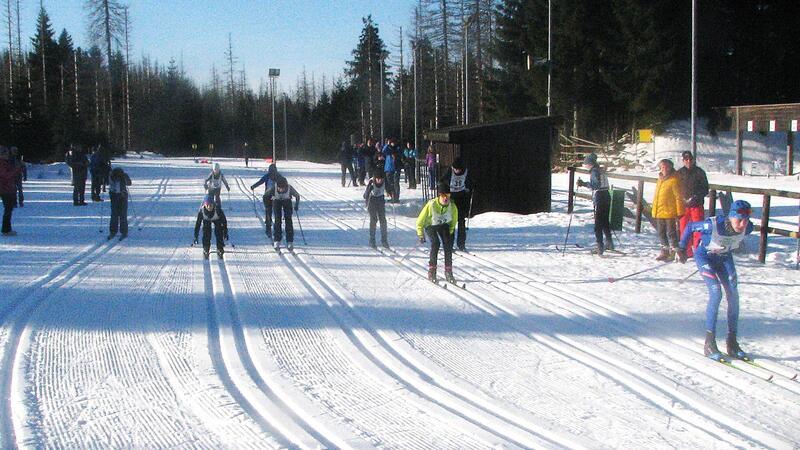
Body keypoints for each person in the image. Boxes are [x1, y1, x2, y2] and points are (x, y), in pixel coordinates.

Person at [676, 200, 754, 361]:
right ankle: (709, 343)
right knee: (716, 292)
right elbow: (690, 226)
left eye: (745, 220)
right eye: (739, 219)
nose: (743, 224)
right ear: (731, 217)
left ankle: (732, 342)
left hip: (724, 258)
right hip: (705, 257)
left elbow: (744, 231)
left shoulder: (748, 227)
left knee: (733, 294)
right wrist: (682, 247)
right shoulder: (713, 225)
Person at [416, 181, 458, 283]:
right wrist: (420, 233)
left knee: (448, 245)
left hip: (443, 225)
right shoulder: (432, 204)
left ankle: (448, 271)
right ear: (439, 195)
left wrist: (450, 232)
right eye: (443, 195)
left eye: (447, 195)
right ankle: (432, 270)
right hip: (430, 225)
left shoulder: (452, 206)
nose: (445, 198)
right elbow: (420, 220)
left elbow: (454, 220)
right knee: (436, 243)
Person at [577, 152, 614, 254]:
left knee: (598, 223)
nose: (585, 166)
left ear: (590, 164)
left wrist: (584, 184)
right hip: (607, 195)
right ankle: (609, 242)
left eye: (586, 164)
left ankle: (600, 246)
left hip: (600, 197)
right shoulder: (600, 170)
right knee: (605, 221)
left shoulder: (594, 171)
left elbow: (596, 185)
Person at [677, 150, 709, 258]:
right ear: (683, 160)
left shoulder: (699, 172)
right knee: (684, 228)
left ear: (693, 160)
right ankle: (686, 251)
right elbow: (676, 188)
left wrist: (696, 197)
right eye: (686, 159)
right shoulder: (679, 172)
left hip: (696, 204)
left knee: (698, 228)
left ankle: (698, 250)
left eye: (690, 159)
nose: (688, 161)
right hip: (683, 205)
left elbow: (705, 188)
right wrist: (681, 198)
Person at [651, 158, 684, 261]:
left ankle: (675, 251)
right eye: (662, 167)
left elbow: (678, 197)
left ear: (670, 168)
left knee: (671, 232)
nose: (664, 169)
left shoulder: (674, 180)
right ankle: (664, 250)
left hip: (669, 211)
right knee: (661, 232)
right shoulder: (660, 179)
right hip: (659, 210)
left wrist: (680, 212)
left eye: (666, 167)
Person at [439, 157, 473, 251]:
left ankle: (461, 244)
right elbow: (441, 182)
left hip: (461, 198)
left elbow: (470, 182)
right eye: (455, 169)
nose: (456, 171)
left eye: (458, 169)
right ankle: (449, 244)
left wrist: (469, 188)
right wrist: (443, 193)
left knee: (461, 222)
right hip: (451, 198)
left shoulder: (466, 172)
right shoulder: (449, 171)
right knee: (451, 222)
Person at [264, 176, 300, 251]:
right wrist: (267, 206)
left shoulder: (290, 188)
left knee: (288, 220)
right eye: (279, 188)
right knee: (277, 220)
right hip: (276, 201)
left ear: (286, 186)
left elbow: (297, 196)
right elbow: (265, 196)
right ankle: (277, 240)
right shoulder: (273, 188)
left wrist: (296, 205)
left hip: (287, 201)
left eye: (283, 188)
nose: (281, 189)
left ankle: (290, 241)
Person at [193, 194, 229, 259]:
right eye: (208, 205)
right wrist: (196, 236)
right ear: (205, 205)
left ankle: (220, 248)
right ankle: (206, 248)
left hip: (217, 219)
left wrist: (225, 233)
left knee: (219, 231)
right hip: (206, 220)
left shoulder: (218, 210)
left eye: (211, 205)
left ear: (213, 205)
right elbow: (198, 224)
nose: (209, 207)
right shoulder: (202, 212)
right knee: (206, 231)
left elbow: (224, 222)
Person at [251, 163, 281, 238]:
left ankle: (271, 228)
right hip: (269, 196)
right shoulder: (272, 176)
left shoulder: (275, 176)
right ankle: (270, 228)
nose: (272, 174)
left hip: (274, 196)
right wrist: (254, 186)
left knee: (271, 212)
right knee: (270, 212)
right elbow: (261, 181)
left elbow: (284, 183)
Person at [0, 146, 23, 236]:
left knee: (9, 209)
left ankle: (7, 229)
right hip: (4, 189)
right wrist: (17, 170)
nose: (7, 155)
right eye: (5, 153)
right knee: (8, 209)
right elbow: (6, 176)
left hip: (7, 188)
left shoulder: (5, 162)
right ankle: (6, 229)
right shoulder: (2, 163)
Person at [363, 170, 389, 249]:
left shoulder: (384, 181)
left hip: (380, 200)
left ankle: (384, 240)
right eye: (377, 179)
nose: (379, 180)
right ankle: (372, 240)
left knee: (383, 220)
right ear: (375, 178)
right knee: (373, 220)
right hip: (372, 201)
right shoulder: (371, 182)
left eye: (380, 179)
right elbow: (365, 195)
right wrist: (368, 191)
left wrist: (391, 192)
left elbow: (389, 188)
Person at [107, 167, 132, 240]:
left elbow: (129, 183)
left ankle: (119, 231)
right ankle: (117, 231)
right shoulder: (112, 177)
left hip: (119, 195)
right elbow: (129, 183)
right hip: (118, 196)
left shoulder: (118, 176)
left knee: (119, 214)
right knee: (118, 214)